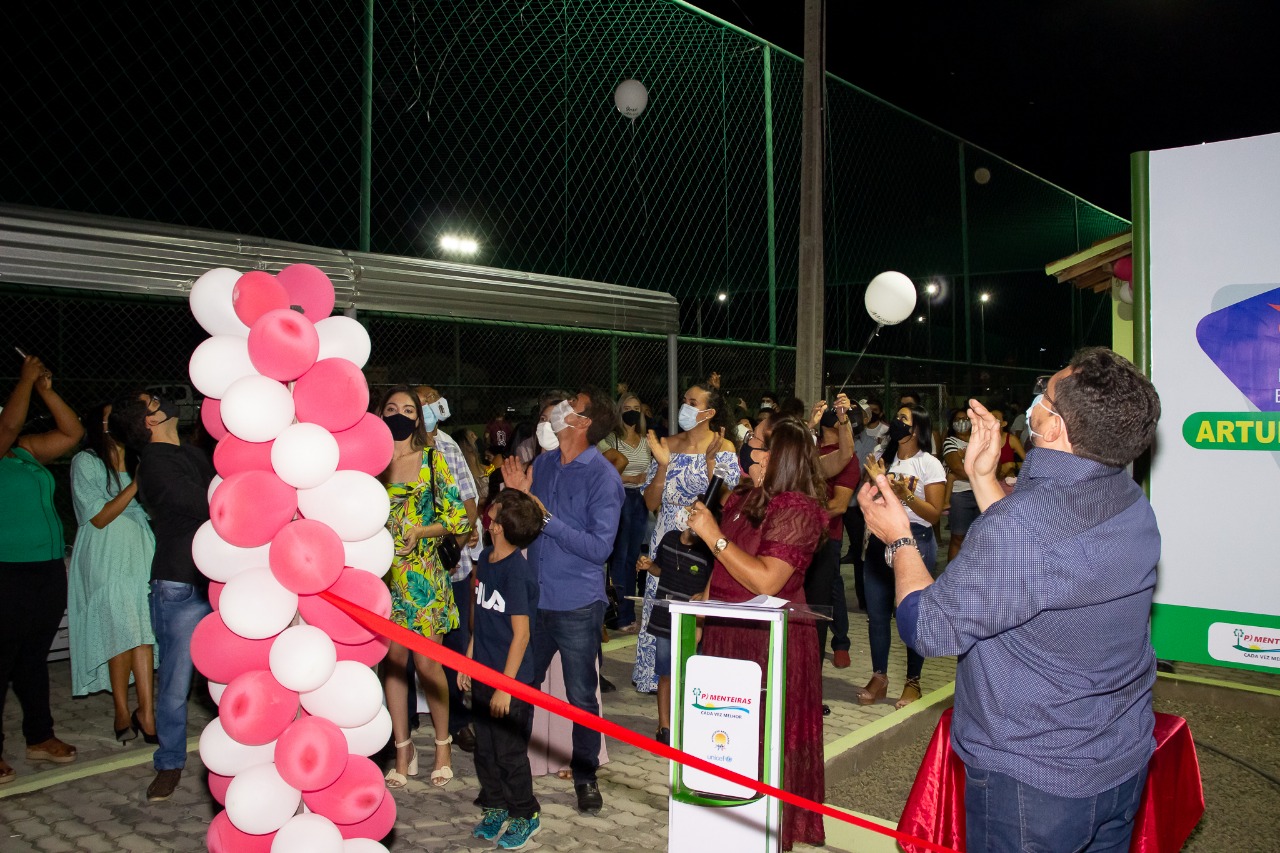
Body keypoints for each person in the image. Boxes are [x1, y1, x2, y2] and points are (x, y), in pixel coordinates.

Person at [858, 348, 1162, 853]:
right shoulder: (1128, 499)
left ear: (1057, 427)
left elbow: (928, 626)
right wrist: (982, 476)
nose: (1035, 400)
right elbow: (1039, 568)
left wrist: (899, 540)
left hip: (1034, 784)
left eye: (1046, 393)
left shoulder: (1023, 525)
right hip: (1119, 759)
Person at [685, 416, 828, 851]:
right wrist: (703, 606)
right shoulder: (744, 497)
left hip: (769, 644)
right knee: (722, 739)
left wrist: (712, 538)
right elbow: (722, 564)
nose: (749, 450)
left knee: (762, 743)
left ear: (777, 457)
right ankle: (724, 829)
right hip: (727, 633)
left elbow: (767, 580)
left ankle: (764, 836)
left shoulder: (799, 511)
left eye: (758, 445)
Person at [500, 386, 623, 815]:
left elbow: (599, 549)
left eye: (573, 403)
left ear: (582, 422)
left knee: (581, 696)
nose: (563, 407)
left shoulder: (603, 477)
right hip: (535, 598)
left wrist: (545, 517)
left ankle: (585, 776)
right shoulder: (546, 464)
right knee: (521, 688)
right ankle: (513, 782)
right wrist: (516, 495)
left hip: (576, 603)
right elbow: (524, 526)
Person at [115, 390, 214, 801]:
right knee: (175, 684)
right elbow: (203, 504)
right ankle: (170, 762)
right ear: (150, 422)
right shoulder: (153, 465)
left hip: (219, 583)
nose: (165, 401)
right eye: (155, 402)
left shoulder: (191, 455)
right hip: (181, 586)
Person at [378, 386, 471, 788]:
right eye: (391, 408)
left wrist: (423, 530)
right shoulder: (370, 463)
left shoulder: (433, 458)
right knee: (393, 662)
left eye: (408, 409)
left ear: (419, 417)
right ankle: (403, 748)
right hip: (384, 577)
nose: (399, 415)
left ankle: (442, 744)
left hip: (424, 575)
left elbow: (460, 519)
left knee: (426, 662)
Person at [1, 355, 83, 784]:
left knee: (32, 659)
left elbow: (73, 432)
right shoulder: (4, 442)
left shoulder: (24, 451)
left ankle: (39, 737)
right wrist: (26, 380)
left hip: (45, 568)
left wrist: (46, 391)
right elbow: (9, 427)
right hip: (6, 572)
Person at [633, 382, 740, 695]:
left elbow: (727, 503)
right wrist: (663, 467)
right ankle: (659, 681)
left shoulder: (725, 448)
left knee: (697, 610)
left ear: (709, 412)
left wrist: (710, 464)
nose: (685, 406)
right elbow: (650, 503)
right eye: (685, 400)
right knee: (660, 609)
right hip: (665, 543)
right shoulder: (667, 443)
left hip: (702, 547)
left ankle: (696, 683)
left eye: (693, 402)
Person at [68, 399, 157, 743]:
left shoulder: (137, 459)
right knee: (120, 629)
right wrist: (135, 484)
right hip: (106, 556)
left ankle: (146, 713)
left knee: (142, 630)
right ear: (99, 426)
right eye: (110, 419)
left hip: (139, 555)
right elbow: (100, 517)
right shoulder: (86, 462)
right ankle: (123, 709)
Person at [461, 489, 545, 850]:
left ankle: (526, 814)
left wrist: (505, 687)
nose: (486, 516)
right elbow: (481, 616)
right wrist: (467, 658)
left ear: (497, 527)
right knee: (485, 750)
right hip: (482, 671)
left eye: (491, 515)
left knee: (509, 753)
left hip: (510, 682)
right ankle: (495, 805)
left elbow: (522, 636)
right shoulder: (487, 557)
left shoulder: (516, 574)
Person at [859, 402, 945, 709]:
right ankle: (879, 676)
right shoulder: (887, 460)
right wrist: (874, 481)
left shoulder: (929, 464)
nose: (896, 422)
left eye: (903, 419)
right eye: (896, 417)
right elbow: (870, 500)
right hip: (881, 543)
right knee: (877, 616)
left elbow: (934, 515)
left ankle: (913, 682)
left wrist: (904, 493)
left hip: (915, 542)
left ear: (916, 428)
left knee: (912, 614)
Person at [412, 385, 482, 755]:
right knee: (404, 648)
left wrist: (460, 538)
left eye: (430, 402)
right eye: (419, 402)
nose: (427, 408)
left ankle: (458, 722)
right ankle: (402, 722)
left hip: (448, 564)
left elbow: (469, 499)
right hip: (407, 569)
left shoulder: (448, 448)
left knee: (453, 644)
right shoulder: (395, 446)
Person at [636, 517, 714, 745]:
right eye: (693, 511)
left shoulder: (707, 551)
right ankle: (665, 726)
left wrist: (701, 616)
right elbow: (660, 568)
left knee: (692, 675)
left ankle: (690, 726)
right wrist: (650, 566)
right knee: (666, 674)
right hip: (664, 619)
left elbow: (709, 588)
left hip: (691, 623)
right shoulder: (669, 539)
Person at [805, 397, 859, 669]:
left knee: (827, 595)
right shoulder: (810, 449)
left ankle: (840, 643)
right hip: (800, 538)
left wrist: (802, 517)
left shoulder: (846, 458)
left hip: (827, 537)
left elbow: (838, 505)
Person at [598, 392, 652, 632]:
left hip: (640, 501)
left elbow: (651, 471)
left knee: (632, 560)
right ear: (619, 411)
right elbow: (603, 472)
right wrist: (630, 477)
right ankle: (617, 616)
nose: (632, 411)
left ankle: (628, 614)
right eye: (628, 407)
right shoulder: (611, 440)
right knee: (619, 559)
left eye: (637, 407)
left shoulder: (645, 440)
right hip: (618, 500)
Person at [942, 411, 978, 561]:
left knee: (978, 538)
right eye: (957, 419)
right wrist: (981, 477)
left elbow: (995, 466)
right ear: (952, 424)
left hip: (979, 494)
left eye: (965, 419)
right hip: (961, 494)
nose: (962, 422)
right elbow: (957, 468)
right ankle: (952, 578)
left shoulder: (979, 441)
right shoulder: (951, 442)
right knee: (958, 537)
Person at [987, 407, 1026, 479]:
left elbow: (1029, 463)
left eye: (995, 418)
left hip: (1007, 481)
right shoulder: (980, 439)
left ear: (1003, 423)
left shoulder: (1011, 439)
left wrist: (1011, 465)